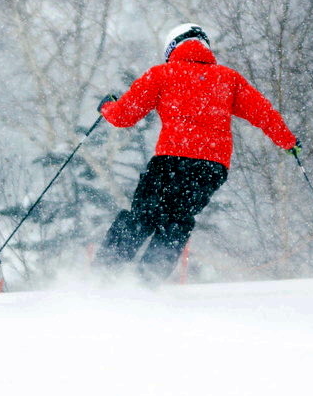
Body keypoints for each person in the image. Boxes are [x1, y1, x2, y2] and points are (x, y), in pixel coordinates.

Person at [96, 23, 300, 282]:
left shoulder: (162, 74)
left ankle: (102, 276)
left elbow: (123, 117)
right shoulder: (229, 78)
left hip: (171, 160)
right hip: (212, 166)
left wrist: (106, 107)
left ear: (172, 48)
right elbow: (264, 113)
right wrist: (288, 141)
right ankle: (147, 281)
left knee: (144, 216)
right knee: (177, 220)